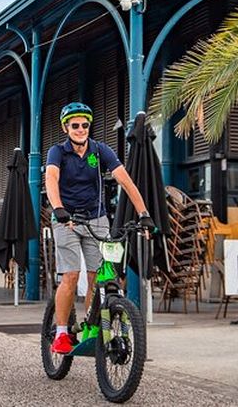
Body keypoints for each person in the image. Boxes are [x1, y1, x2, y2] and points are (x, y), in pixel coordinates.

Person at [45, 103, 155, 354]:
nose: (81, 129)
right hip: (67, 220)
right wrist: (58, 209)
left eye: (85, 125)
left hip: (97, 219)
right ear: (66, 128)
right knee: (71, 276)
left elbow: (126, 181)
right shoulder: (57, 152)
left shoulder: (100, 150)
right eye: (75, 125)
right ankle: (61, 333)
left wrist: (144, 214)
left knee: (99, 275)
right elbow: (51, 179)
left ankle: (92, 327)